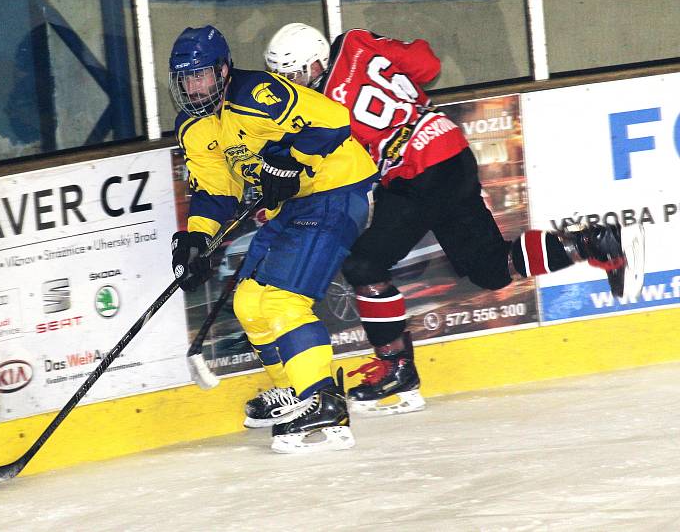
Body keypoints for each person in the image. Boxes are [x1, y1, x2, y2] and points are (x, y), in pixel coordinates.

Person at [263, 23, 645, 416]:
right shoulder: (356, 41)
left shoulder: (317, 111)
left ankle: (396, 368)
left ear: (316, 62)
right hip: (444, 152)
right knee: (491, 270)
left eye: (293, 74)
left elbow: (328, 164)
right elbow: (427, 65)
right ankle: (594, 242)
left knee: (365, 263)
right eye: (282, 76)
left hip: (420, 170)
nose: (289, 83)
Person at [168, 25, 379, 452]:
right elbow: (215, 190)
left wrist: (291, 164)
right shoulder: (193, 127)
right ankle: (293, 391)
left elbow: (333, 120)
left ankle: (323, 402)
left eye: (201, 76)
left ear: (224, 70)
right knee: (249, 300)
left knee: (283, 301)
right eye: (185, 79)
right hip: (294, 205)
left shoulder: (257, 93)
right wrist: (196, 239)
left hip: (335, 192)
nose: (193, 87)